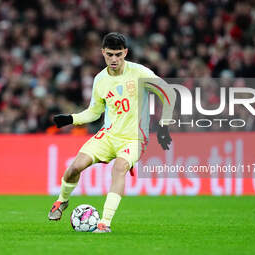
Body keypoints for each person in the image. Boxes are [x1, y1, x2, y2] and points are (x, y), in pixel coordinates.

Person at [48, 32, 175, 233]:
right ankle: (62, 201)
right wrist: (71, 119)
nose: (114, 59)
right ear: (103, 53)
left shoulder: (139, 73)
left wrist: (164, 123)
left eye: (118, 54)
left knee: (119, 167)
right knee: (74, 168)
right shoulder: (100, 79)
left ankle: (104, 223)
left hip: (134, 138)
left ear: (125, 52)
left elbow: (167, 92)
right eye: (110, 55)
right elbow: (95, 112)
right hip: (108, 135)